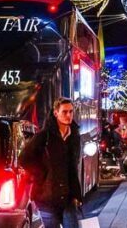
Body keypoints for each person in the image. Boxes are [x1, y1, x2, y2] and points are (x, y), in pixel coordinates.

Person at [20, 97, 83, 228]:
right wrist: (41, 174)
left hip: (67, 198)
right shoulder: (44, 136)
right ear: (56, 113)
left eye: (71, 111)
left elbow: (73, 167)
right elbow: (24, 158)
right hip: (46, 198)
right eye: (64, 112)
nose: (68, 115)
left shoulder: (74, 136)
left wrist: (76, 194)